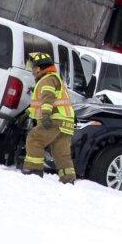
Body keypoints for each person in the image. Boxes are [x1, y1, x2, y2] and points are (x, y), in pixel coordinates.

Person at [22, 51, 77, 183]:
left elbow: (47, 99)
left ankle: (33, 170)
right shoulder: (55, 78)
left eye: (33, 67)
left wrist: (46, 116)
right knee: (61, 152)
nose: (32, 71)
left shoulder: (47, 80)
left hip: (54, 119)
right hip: (66, 122)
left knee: (35, 139)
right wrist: (28, 113)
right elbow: (40, 104)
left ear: (39, 68)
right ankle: (68, 179)